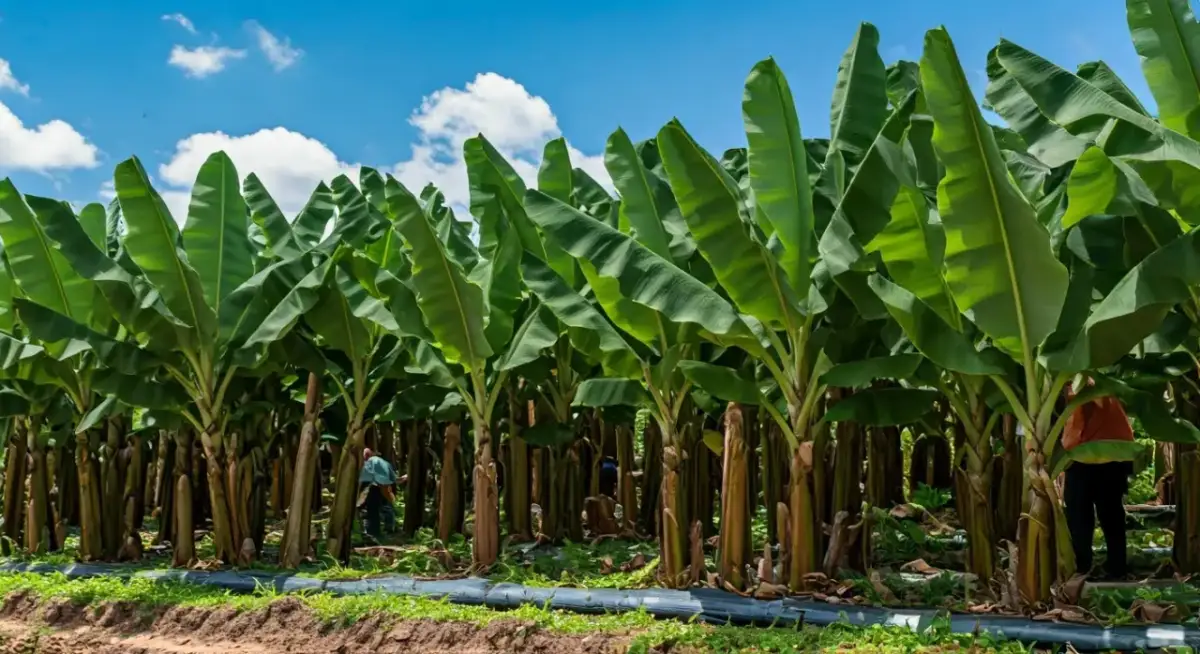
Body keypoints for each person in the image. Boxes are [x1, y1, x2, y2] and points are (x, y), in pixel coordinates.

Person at [1062, 378, 1134, 579]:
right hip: (1102, 454)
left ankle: (1094, 568)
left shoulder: (1084, 385)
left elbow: (1081, 419)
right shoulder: (1088, 385)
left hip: (1099, 456)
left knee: (1090, 514)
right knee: (1098, 514)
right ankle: (1103, 568)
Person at [358, 448, 397, 542]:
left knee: (373, 510)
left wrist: (388, 495)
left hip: (376, 487)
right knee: (379, 509)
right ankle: (379, 532)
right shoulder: (381, 463)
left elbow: (384, 483)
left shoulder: (375, 462)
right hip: (375, 487)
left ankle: (375, 534)